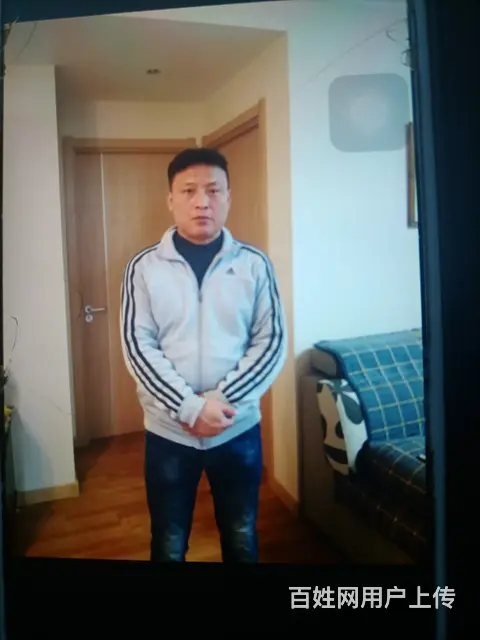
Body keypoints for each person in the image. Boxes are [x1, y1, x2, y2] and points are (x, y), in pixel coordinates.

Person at [120, 147, 287, 563]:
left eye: (213, 190)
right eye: (189, 190)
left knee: (241, 535)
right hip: (169, 432)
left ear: (228, 197)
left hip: (237, 428)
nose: (202, 202)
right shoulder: (144, 267)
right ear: (170, 199)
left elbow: (271, 342)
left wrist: (220, 402)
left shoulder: (254, 265)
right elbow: (138, 346)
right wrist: (190, 408)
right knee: (169, 540)